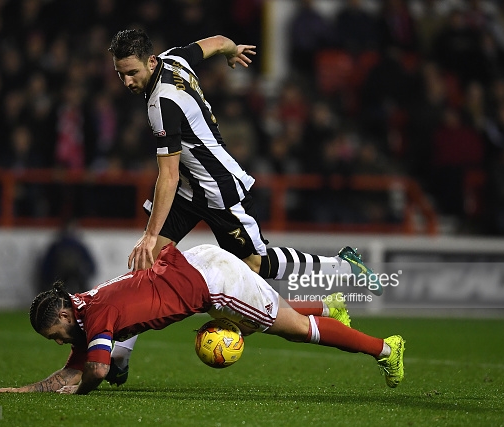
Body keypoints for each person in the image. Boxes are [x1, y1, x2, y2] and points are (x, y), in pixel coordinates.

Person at [107, 28, 384, 384]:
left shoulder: (162, 102)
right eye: (120, 74)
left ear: (149, 61)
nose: (127, 81)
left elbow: (168, 175)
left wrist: (149, 233)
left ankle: (343, 266)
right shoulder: (174, 58)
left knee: (256, 264)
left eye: (132, 73)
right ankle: (120, 356)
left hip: (216, 187)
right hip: (192, 188)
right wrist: (232, 51)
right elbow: (218, 41)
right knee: (150, 265)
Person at [0, 244, 405, 395]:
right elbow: (73, 368)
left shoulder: (96, 317)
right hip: (196, 266)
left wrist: (78, 393)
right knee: (268, 317)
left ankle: (387, 349)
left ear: (62, 314)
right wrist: (22, 389)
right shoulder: (83, 307)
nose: (61, 342)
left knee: (296, 331)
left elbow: (95, 370)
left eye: (55, 335)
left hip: (212, 281)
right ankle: (329, 308)